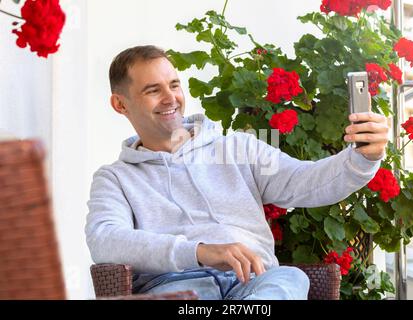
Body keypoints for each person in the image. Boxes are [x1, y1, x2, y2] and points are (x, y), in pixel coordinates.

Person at [85, 45, 389, 300]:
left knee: (290, 279)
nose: (170, 98)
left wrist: (363, 157)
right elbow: (105, 240)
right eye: (153, 90)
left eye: (174, 85)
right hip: (178, 288)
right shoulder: (115, 178)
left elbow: (306, 183)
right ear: (120, 104)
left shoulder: (239, 148)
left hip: (254, 284)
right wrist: (199, 252)